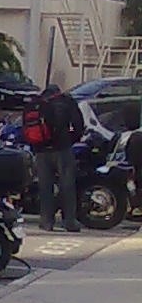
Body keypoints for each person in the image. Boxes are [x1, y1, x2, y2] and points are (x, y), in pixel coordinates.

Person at [32, 83, 85, 233]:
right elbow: (78, 125)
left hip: (41, 150)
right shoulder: (66, 101)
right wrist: (70, 140)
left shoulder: (38, 103)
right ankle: (69, 221)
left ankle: (46, 221)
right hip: (62, 148)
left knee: (45, 186)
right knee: (67, 185)